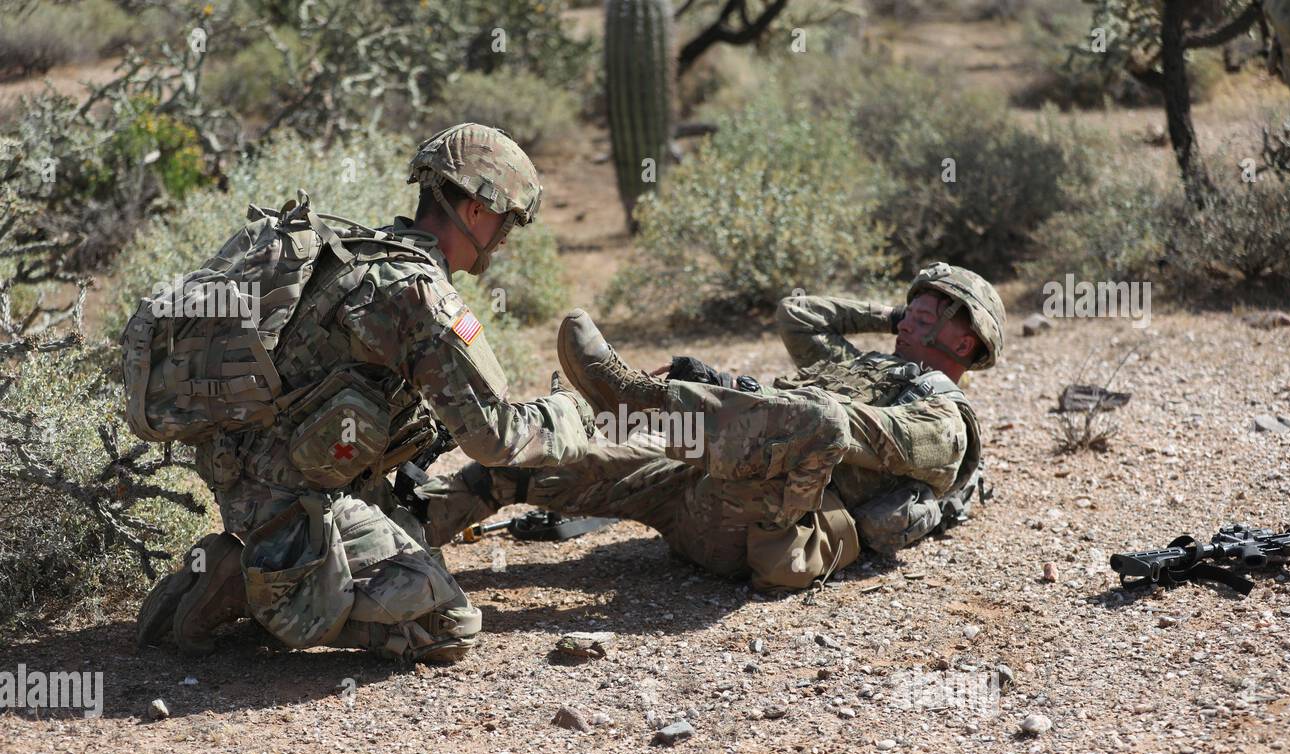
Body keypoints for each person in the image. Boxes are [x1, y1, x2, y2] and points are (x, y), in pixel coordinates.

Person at [136, 123, 593, 663]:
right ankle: (259, 590)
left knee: (416, 537)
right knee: (446, 623)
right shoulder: (419, 295)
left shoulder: (358, 254)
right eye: (507, 221)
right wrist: (571, 414)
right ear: (475, 210)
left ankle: (261, 571)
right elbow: (496, 439)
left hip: (254, 480)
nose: (506, 236)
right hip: (296, 507)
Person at [411, 263, 1003, 591]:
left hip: (769, 526)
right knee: (531, 465)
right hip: (694, 489)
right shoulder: (863, 366)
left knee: (824, 419)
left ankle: (639, 402)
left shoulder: (946, 418)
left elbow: (838, 431)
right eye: (915, 302)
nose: (916, 310)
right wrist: (893, 317)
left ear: (964, 339)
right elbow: (798, 314)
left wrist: (745, 401)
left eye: (934, 308)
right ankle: (399, 536)